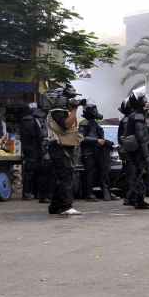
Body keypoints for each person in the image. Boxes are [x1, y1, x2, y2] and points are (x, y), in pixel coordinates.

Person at [45, 87, 84, 216]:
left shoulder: (61, 112)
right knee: (65, 178)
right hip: (59, 148)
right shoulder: (57, 112)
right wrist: (74, 110)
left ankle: (55, 206)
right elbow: (67, 125)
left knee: (61, 177)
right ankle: (66, 206)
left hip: (62, 148)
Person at [78, 104, 118, 202]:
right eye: (93, 110)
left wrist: (105, 141)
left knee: (103, 171)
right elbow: (81, 138)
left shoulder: (94, 124)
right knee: (90, 173)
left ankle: (107, 192)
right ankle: (89, 194)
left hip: (97, 152)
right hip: (88, 152)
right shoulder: (85, 123)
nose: (96, 112)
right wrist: (97, 140)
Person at [124, 89, 149, 209]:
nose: (146, 102)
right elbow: (141, 138)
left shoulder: (136, 115)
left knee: (139, 174)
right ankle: (139, 200)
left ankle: (135, 199)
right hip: (139, 152)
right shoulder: (138, 116)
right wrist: (146, 156)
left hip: (136, 151)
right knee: (141, 174)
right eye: (144, 100)